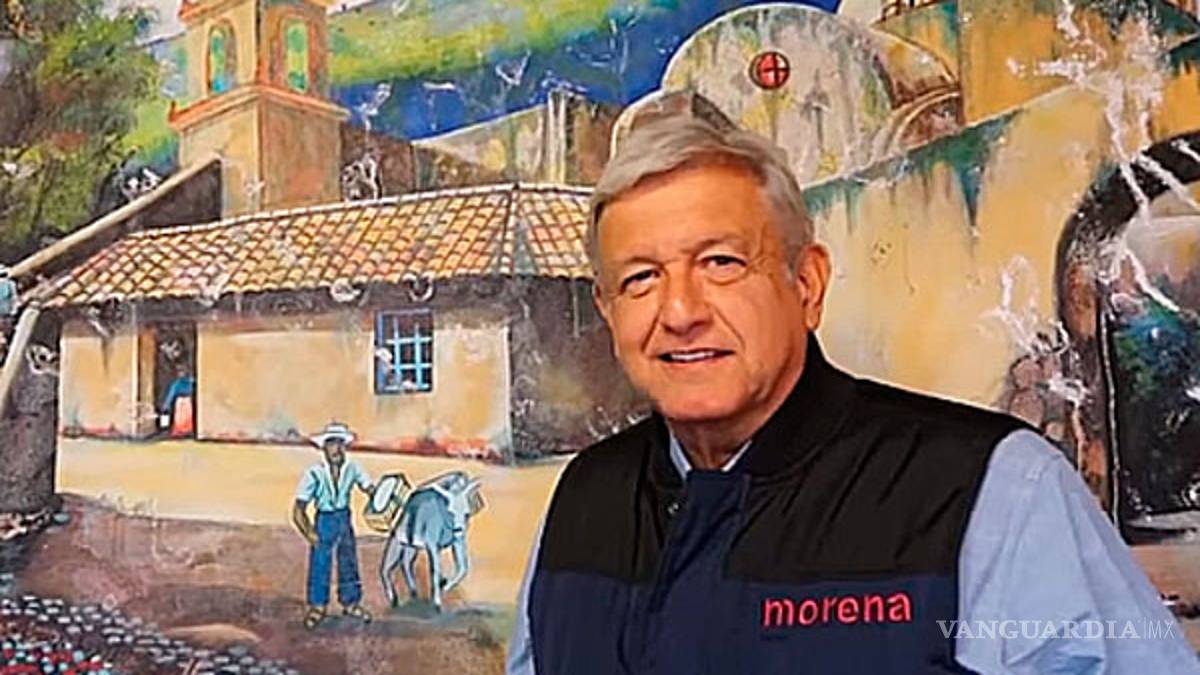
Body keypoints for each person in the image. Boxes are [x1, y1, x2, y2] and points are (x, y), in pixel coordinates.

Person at [506, 115, 1200, 674]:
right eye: (640, 279)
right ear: (608, 312)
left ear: (806, 284)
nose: (680, 311)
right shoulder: (583, 503)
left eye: (720, 263)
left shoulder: (993, 491)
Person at [293, 421, 375, 630]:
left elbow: (370, 488)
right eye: (331, 444)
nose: (337, 449)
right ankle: (317, 606)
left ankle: (351, 603)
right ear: (324, 448)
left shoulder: (353, 468)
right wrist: (309, 532)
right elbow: (299, 508)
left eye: (340, 444)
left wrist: (381, 496)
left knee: (348, 560)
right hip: (325, 520)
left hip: (344, 518)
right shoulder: (314, 473)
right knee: (320, 562)